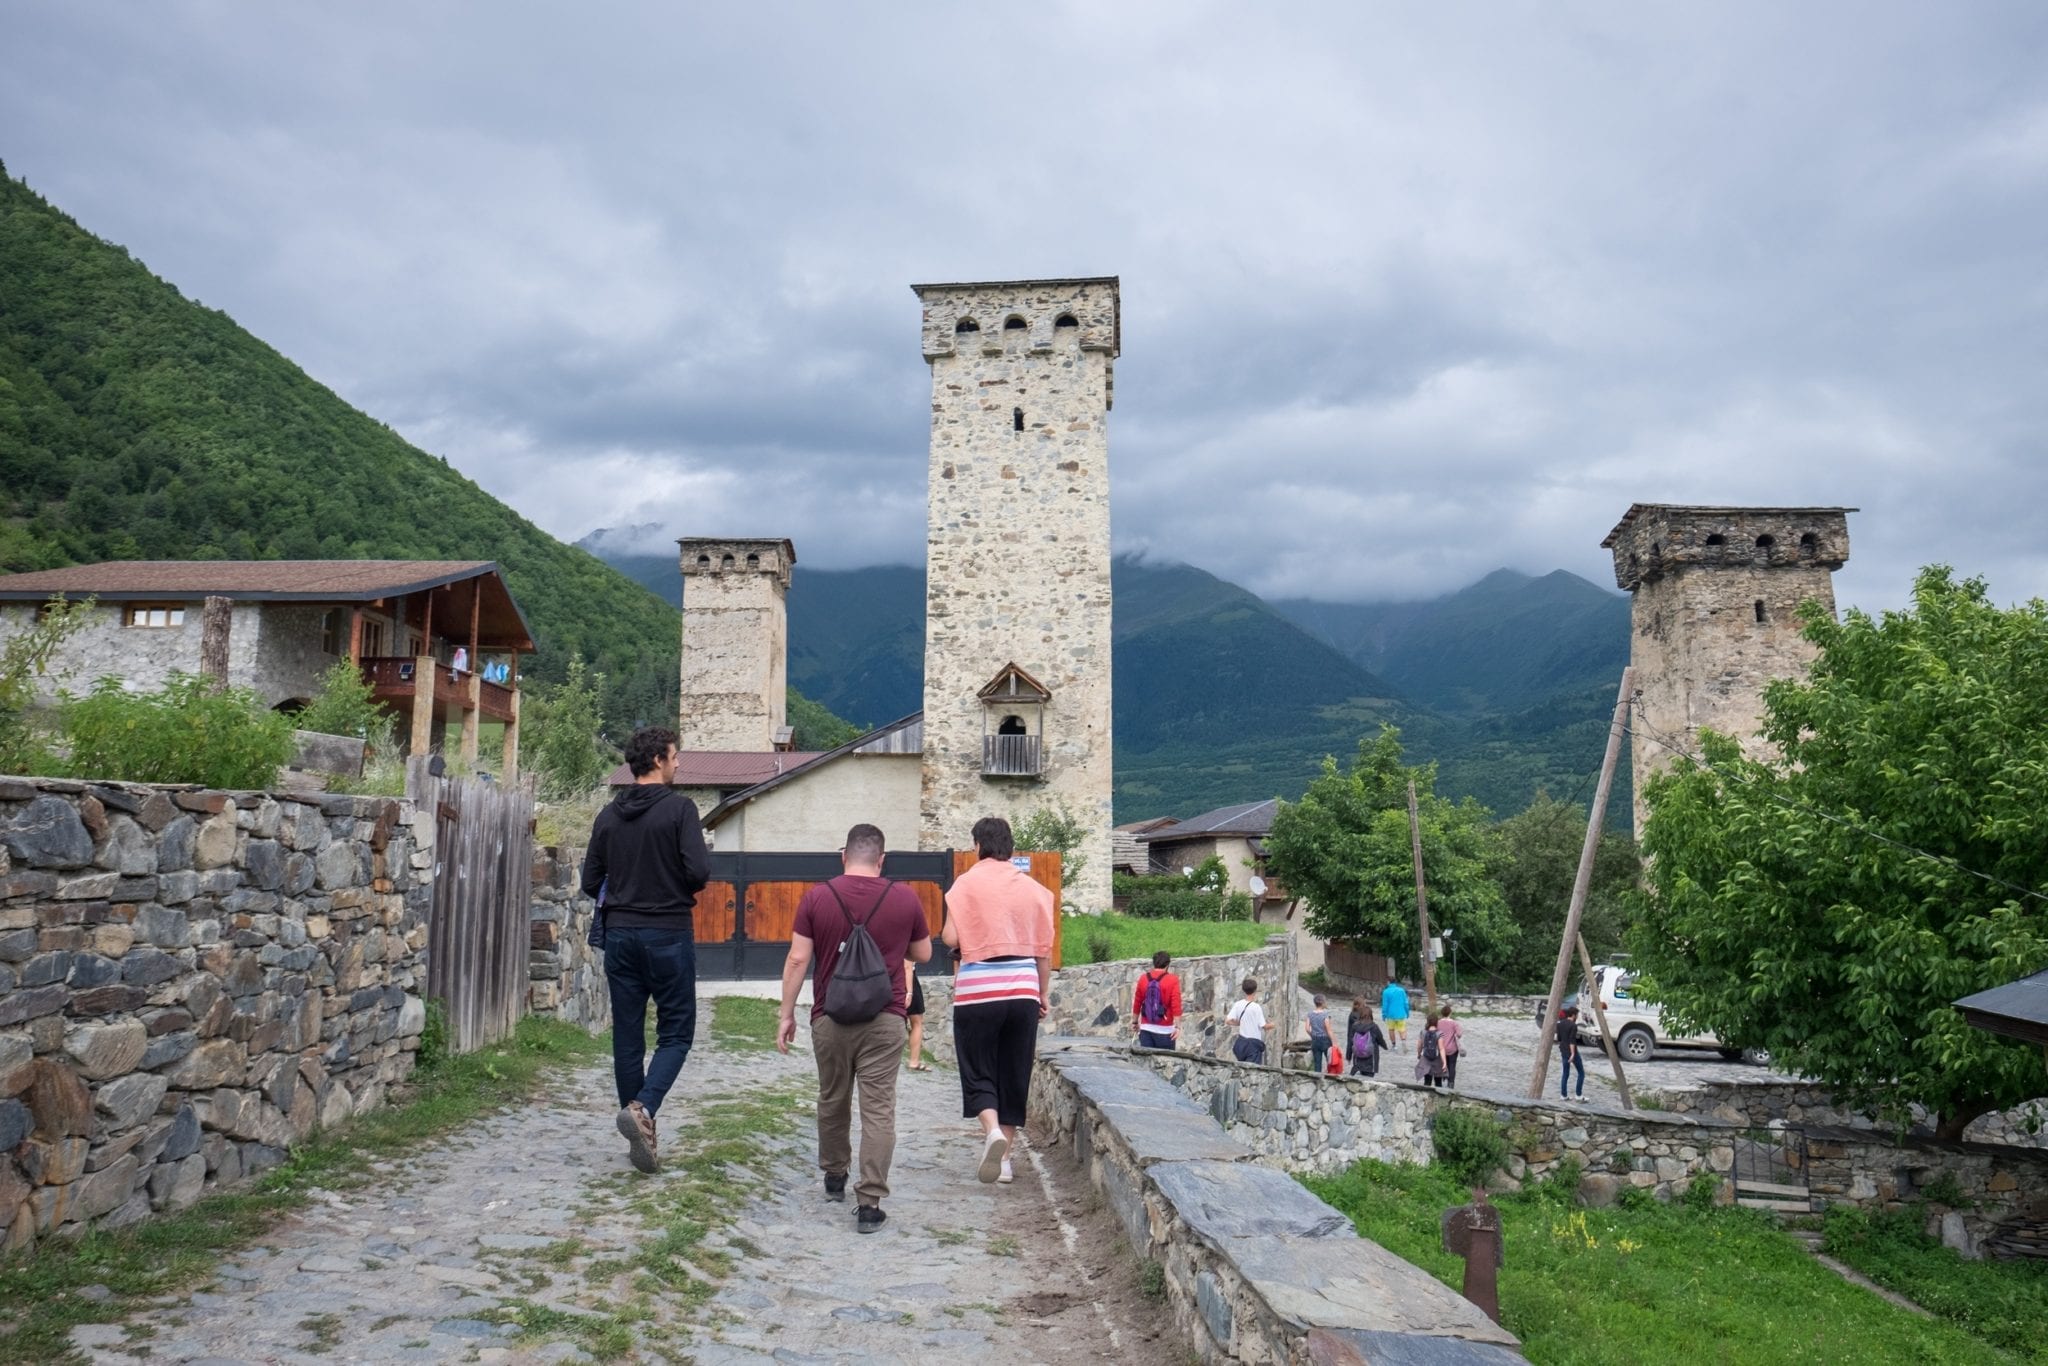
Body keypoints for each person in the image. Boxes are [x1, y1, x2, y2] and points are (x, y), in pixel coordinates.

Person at [776, 824, 931, 1233]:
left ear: (843, 856)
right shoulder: (904, 897)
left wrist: (786, 1014)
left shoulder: (818, 897)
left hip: (830, 1017)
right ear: (882, 860)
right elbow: (924, 952)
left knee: (833, 1097)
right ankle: (870, 1202)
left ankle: (834, 1174)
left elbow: (796, 959)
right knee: (878, 1108)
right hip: (885, 1019)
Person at [580, 726, 709, 1174]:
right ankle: (644, 1108)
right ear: (657, 759)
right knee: (677, 1033)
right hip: (668, 933)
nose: (678, 764)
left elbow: (588, 882)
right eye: (675, 756)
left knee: (627, 1034)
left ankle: (639, 1122)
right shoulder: (680, 810)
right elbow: (698, 873)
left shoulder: (607, 816)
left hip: (619, 935)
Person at [942, 816, 1054, 1186]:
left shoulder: (966, 884)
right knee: (1013, 1071)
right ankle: (1005, 1160)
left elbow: (948, 937)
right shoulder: (1033, 889)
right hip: (1023, 988)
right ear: (1010, 846)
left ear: (978, 845)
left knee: (978, 1067)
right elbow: (1043, 953)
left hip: (978, 992)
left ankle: (990, 1131)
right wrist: (1042, 994)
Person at [1132, 951, 1182, 1051]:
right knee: (1166, 1064)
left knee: (1146, 1064)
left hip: (1146, 1030)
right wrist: (1178, 1027)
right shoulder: (1173, 980)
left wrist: (1134, 1022)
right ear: (1168, 964)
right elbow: (1176, 1005)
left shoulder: (1143, 978)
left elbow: (1137, 1002)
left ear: (1154, 963)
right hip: (1166, 1031)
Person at [1225, 977, 1274, 1064]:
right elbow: (1264, 1026)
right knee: (1253, 1072)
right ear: (1255, 991)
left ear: (1244, 990)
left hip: (1241, 1044)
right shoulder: (1256, 1007)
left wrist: (1239, 1023)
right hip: (1253, 1045)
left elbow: (1228, 1020)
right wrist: (1273, 1025)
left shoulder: (1238, 1004)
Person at [1345, 997, 1387, 1077]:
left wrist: (1348, 1055)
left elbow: (1350, 1039)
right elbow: (1380, 1039)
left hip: (1358, 1057)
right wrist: (1385, 1046)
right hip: (1371, 1058)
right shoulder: (1374, 1026)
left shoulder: (1355, 1025)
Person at [1556, 1004, 1587, 1102]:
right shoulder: (1573, 1025)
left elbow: (1559, 1038)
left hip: (1563, 1050)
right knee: (1581, 1073)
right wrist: (1573, 1054)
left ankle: (1563, 1095)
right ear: (1573, 1015)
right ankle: (1578, 1095)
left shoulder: (1560, 1024)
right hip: (1572, 1052)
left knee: (1565, 1073)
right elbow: (1572, 1041)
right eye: (1577, 1015)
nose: (1577, 1017)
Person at [904, 961, 930, 1071]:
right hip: (907, 978)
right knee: (916, 1022)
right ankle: (914, 1061)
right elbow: (907, 965)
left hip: (888, 975)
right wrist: (909, 992)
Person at [1416, 1011, 1449, 1088]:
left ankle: (1426, 1098)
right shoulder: (1440, 1033)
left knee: (1427, 1082)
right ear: (1436, 1022)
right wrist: (1444, 1062)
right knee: (1438, 1083)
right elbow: (1441, 1049)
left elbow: (1419, 1045)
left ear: (1427, 1021)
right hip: (1437, 1060)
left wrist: (1419, 1054)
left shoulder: (1423, 1032)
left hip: (1426, 1059)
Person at [1437, 1002, 1465, 1089]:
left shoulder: (1438, 1023)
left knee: (1441, 1064)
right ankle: (1451, 1083)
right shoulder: (1454, 1023)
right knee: (1452, 1065)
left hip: (1441, 1047)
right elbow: (1459, 1034)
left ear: (1441, 1013)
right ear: (1450, 1013)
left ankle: (1441, 1079)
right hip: (1452, 1048)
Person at [1304, 993, 1333, 1074]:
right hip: (1325, 1040)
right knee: (1330, 1060)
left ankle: (1317, 1081)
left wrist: (1312, 1035)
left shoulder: (1310, 1014)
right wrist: (1333, 1041)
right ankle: (1329, 1078)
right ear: (1323, 1003)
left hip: (1315, 1040)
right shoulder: (1325, 1015)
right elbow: (1328, 1029)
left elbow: (1307, 1028)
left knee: (1317, 1063)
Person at [1380, 977, 1410, 1052]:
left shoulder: (1386, 992)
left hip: (1390, 1015)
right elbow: (1405, 1003)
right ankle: (1403, 1041)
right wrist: (1407, 1012)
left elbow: (1385, 1005)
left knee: (1391, 1029)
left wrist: (1384, 1014)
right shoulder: (1401, 990)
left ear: (1388, 982)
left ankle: (1394, 1045)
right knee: (1402, 1029)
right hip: (1400, 1013)